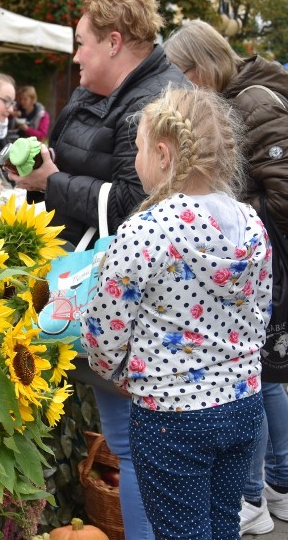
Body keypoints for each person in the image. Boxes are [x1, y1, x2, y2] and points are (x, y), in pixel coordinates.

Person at [6, 0, 189, 539]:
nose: (76, 55)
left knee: (136, 446)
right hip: (94, 286)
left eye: (82, 43)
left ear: (114, 42)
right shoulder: (101, 92)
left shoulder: (159, 100)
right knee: (127, 439)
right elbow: (92, 166)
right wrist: (49, 170)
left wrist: (53, 181)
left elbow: (140, 200)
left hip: (132, 298)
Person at [82, 87, 271, 540]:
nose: (135, 160)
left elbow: (104, 334)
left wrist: (120, 376)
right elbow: (260, 312)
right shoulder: (249, 221)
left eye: (139, 148)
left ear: (164, 153)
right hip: (243, 403)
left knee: (180, 532)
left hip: (172, 414)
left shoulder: (146, 230)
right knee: (223, 524)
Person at [164, 18, 288, 535]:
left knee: (263, 374)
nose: (182, 88)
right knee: (268, 373)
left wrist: (220, 210)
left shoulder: (253, 102)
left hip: (268, 258)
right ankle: (275, 486)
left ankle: (264, 491)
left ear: (202, 66)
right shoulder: (241, 95)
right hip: (262, 256)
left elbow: (282, 194)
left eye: (183, 75)